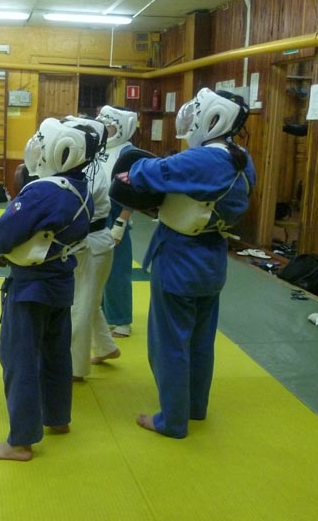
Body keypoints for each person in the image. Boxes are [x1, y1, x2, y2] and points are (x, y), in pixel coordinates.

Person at [123, 88, 256, 438]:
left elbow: (149, 171)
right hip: (212, 259)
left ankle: (172, 420)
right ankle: (195, 407)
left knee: (169, 342)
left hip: (180, 257)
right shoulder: (242, 159)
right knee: (199, 341)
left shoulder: (204, 159)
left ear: (211, 117)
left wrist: (132, 172)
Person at [0, 117, 97, 461]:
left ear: (58, 152)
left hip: (30, 288)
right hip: (61, 285)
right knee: (56, 354)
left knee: (20, 359)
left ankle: (20, 440)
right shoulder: (80, 188)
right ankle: (57, 417)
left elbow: (1, 234)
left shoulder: (43, 192)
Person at [64, 116, 121, 381]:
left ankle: (75, 368)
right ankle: (106, 347)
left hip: (91, 244)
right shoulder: (90, 166)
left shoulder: (89, 173)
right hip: (98, 243)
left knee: (79, 306)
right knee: (90, 300)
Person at [97, 106, 139, 338]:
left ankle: (121, 321)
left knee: (117, 270)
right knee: (96, 267)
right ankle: (102, 312)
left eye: (110, 126)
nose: (106, 129)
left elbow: (134, 191)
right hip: (96, 211)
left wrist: (122, 222)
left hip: (115, 213)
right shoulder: (99, 146)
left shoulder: (128, 153)